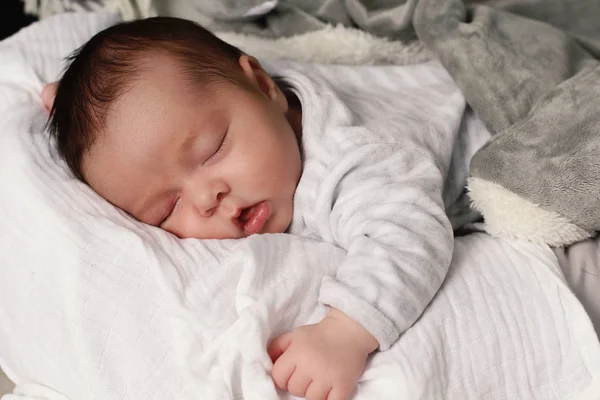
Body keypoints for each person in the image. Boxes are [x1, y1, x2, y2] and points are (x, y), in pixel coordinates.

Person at [42, 16, 485, 400]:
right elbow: (151, 107)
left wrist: (345, 332)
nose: (205, 198)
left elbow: (410, 231)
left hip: (475, 111)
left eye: (212, 150)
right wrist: (77, 102)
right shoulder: (229, 104)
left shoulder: (352, 163)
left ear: (262, 84)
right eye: (167, 208)